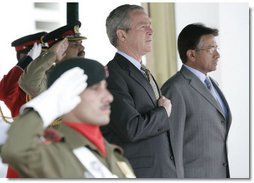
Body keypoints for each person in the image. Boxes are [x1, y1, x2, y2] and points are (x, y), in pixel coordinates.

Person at [1, 58, 136, 178]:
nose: (109, 97)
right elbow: (15, 150)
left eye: (105, 88)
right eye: (95, 88)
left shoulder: (117, 158)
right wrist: (50, 102)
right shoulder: (47, 153)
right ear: (68, 95)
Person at [100, 4, 176, 178]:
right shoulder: (113, 75)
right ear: (122, 34)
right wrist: (163, 112)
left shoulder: (142, 70)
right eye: (143, 26)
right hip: (139, 173)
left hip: (163, 170)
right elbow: (131, 128)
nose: (151, 31)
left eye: (150, 24)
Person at [161, 23, 232, 178]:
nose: (217, 54)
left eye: (216, 48)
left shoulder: (213, 84)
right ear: (191, 54)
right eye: (211, 49)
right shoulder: (175, 89)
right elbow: (172, 147)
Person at [19, 20, 86, 98]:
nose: (82, 47)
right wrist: (52, 54)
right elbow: (28, 83)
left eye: (81, 43)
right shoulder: (51, 79)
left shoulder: (90, 71)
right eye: (75, 44)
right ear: (61, 49)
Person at [0, 32, 46, 118]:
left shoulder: (49, 75)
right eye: (39, 55)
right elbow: (3, 93)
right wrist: (26, 62)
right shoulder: (16, 82)